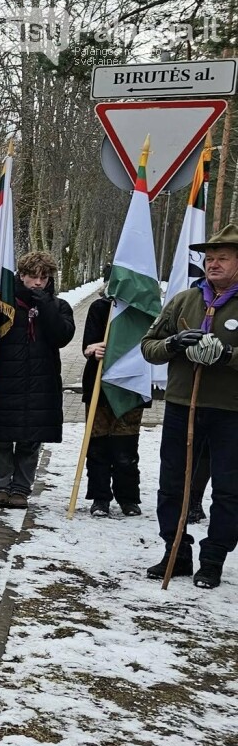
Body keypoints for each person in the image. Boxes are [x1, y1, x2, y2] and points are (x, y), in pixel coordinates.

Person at [140, 223, 238, 589]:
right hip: (184, 405)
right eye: (209, 258)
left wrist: (227, 354)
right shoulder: (184, 299)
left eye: (222, 258)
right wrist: (175, 344)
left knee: (229, 489)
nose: (213, 264)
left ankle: (213, 559)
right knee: (173, 483)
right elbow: (149, 345)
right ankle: (176, 551)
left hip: (231, 410)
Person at [0, 251, 74, 509]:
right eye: (32, 277)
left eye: (44, 277)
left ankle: (21, 488)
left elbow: (61, 337)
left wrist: (46, 306)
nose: (38, 282)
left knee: (30, 439)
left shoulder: (59, 306)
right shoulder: (4, 305)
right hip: (6, 380)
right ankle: (1, 485)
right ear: (21, 276)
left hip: (40, 382)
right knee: (2, 436)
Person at [79, 281, 146, 518]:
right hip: (100, 384)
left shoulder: (144, 311)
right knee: (97, 446)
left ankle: (128, 498)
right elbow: (87, 344)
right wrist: (92, 350)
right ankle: (100, 498)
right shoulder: (100, 308)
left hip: (131, 387)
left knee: (126, 448)